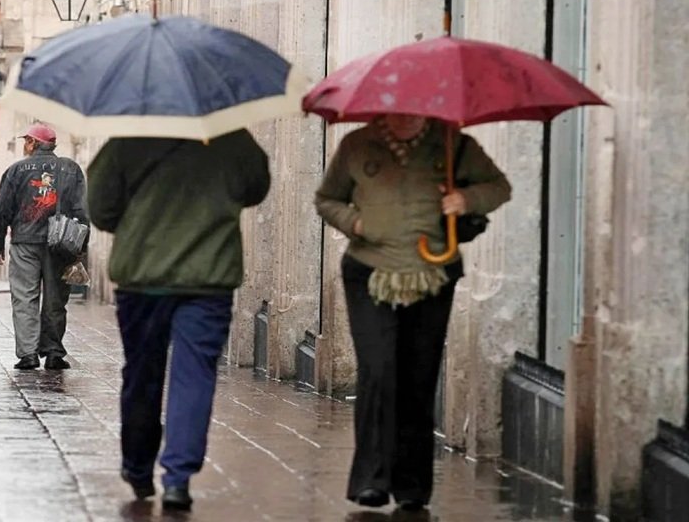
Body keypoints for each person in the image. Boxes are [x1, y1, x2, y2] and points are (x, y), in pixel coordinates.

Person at [314, 114, 511, 512]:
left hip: (432, 274)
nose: (405, 113)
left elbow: (499, 187)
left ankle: (412, 487)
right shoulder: (357, 144)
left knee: (418, 376)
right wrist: (354, 221)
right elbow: (326, 198)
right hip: (370, 272)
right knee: (378, 369)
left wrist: (466, 200)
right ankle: (371, 479)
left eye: (414, 106)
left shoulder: (453, 144)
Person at [87, 129, 270, 512]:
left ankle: (137, 467)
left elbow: (101, 210)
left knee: (142, 372)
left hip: (143, 278)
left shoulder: (126, 142)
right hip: (208, 277)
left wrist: (143, 222)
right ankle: (178, 478)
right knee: (195, 374)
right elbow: (256, 188)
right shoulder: (232, 138)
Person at [0, 123, 87, 371]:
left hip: (25, 241)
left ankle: (28, 354)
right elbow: (81, 210)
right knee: (56, 299)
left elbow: (3, 210)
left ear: (33, 143)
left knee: (24, 298)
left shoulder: (16, 170)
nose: (25, 145)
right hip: (61, 242)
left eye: (26, 141)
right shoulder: (71, 168)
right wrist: (81, 244)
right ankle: (54, 353)